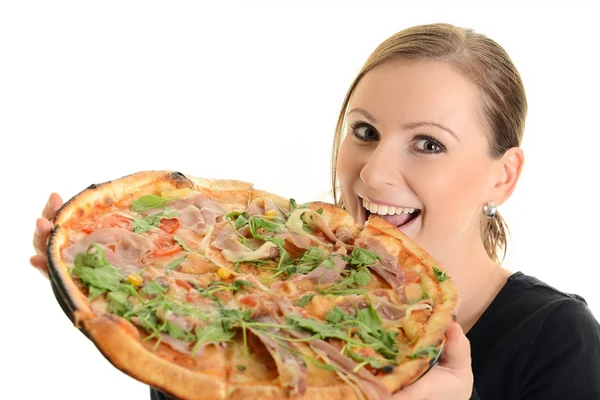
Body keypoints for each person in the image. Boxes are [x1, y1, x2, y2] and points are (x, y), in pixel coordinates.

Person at [30, 23, 600, 400]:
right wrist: (134, 292)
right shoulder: (257, 298)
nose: (373, 173)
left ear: (504, 175)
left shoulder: (559, 343)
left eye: (429, 143)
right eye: (365, 131)